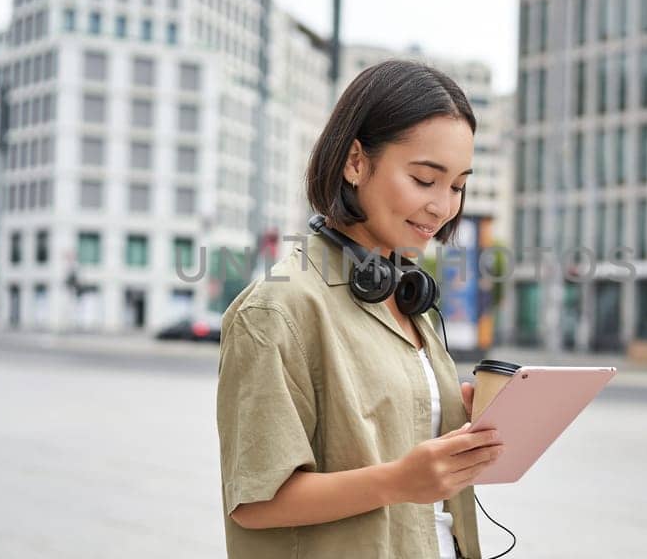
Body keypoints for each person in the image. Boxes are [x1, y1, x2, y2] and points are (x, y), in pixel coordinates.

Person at [215, 60, 503, 558]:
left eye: (457, 186)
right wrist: (399, 481)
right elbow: (256, 501)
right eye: (423, 179)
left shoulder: (413, 303)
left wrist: (465, 429)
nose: (442, 206)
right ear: (355, 162)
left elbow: (410, 455)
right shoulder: (277, 311)